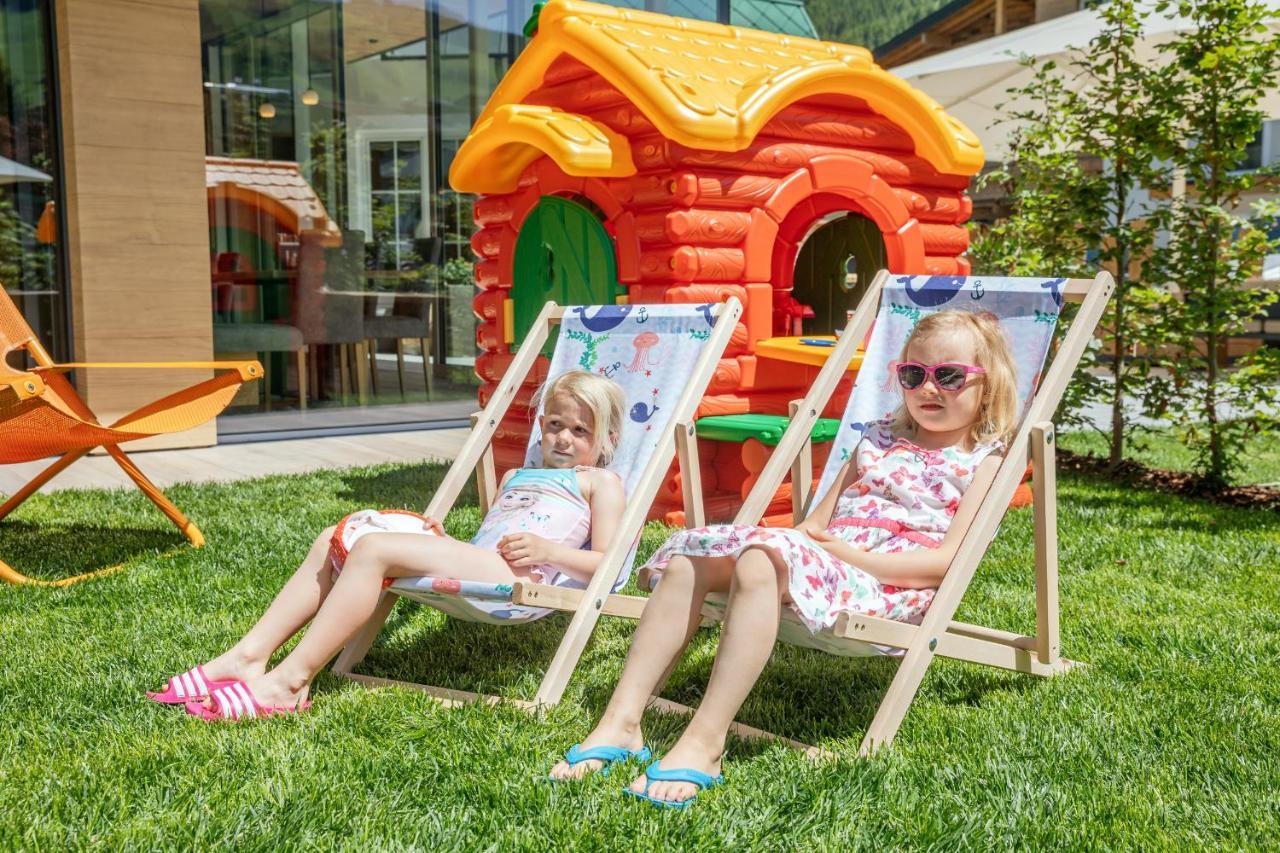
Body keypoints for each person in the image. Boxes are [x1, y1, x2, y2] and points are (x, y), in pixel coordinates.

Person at [549, 310, 1019, 808]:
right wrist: (796, 549)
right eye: (913, 374)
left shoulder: (984, 460)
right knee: (694, 555)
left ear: (986, 389)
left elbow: (946, 563)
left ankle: (705, 742)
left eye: (948, 376)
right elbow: (813, 528)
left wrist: (848, 557)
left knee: (763, 559)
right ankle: (621, 721)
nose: (929, 388)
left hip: (888, 588)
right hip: (829, 563)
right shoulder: (879, 439)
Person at [148, 370, 627, 721]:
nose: (563, 437)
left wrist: (550, 552)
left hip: (522, 579)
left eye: (579, 430)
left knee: (373, 548)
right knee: (334, 538)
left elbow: (608, 563)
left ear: (605, 440)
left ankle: (289, 683)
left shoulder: (600, 483)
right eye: (555, 424)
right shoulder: (516, 474)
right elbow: (488, 536)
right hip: (480, 562)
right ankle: (247, 656)